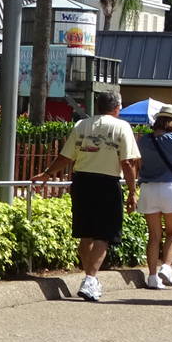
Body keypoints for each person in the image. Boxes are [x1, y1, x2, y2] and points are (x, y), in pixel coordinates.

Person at [31, 90, 140, 302]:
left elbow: (66, 156)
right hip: (107, 182)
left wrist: (47, 174)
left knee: (86, 233)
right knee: (104, 234)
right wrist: (132, 192)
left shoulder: (81, 125)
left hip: (82, 181)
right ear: (117, 108)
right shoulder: (122, 127)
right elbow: (127, 162)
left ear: (98, 106)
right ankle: (90, 279)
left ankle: (90, 278)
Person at [137, 107, 172, 289]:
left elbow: (140, 164)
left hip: (148, 188)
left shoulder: (144, 140)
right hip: (170, 188)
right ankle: (166, 266)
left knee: (153, 236)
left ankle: (152, 277)